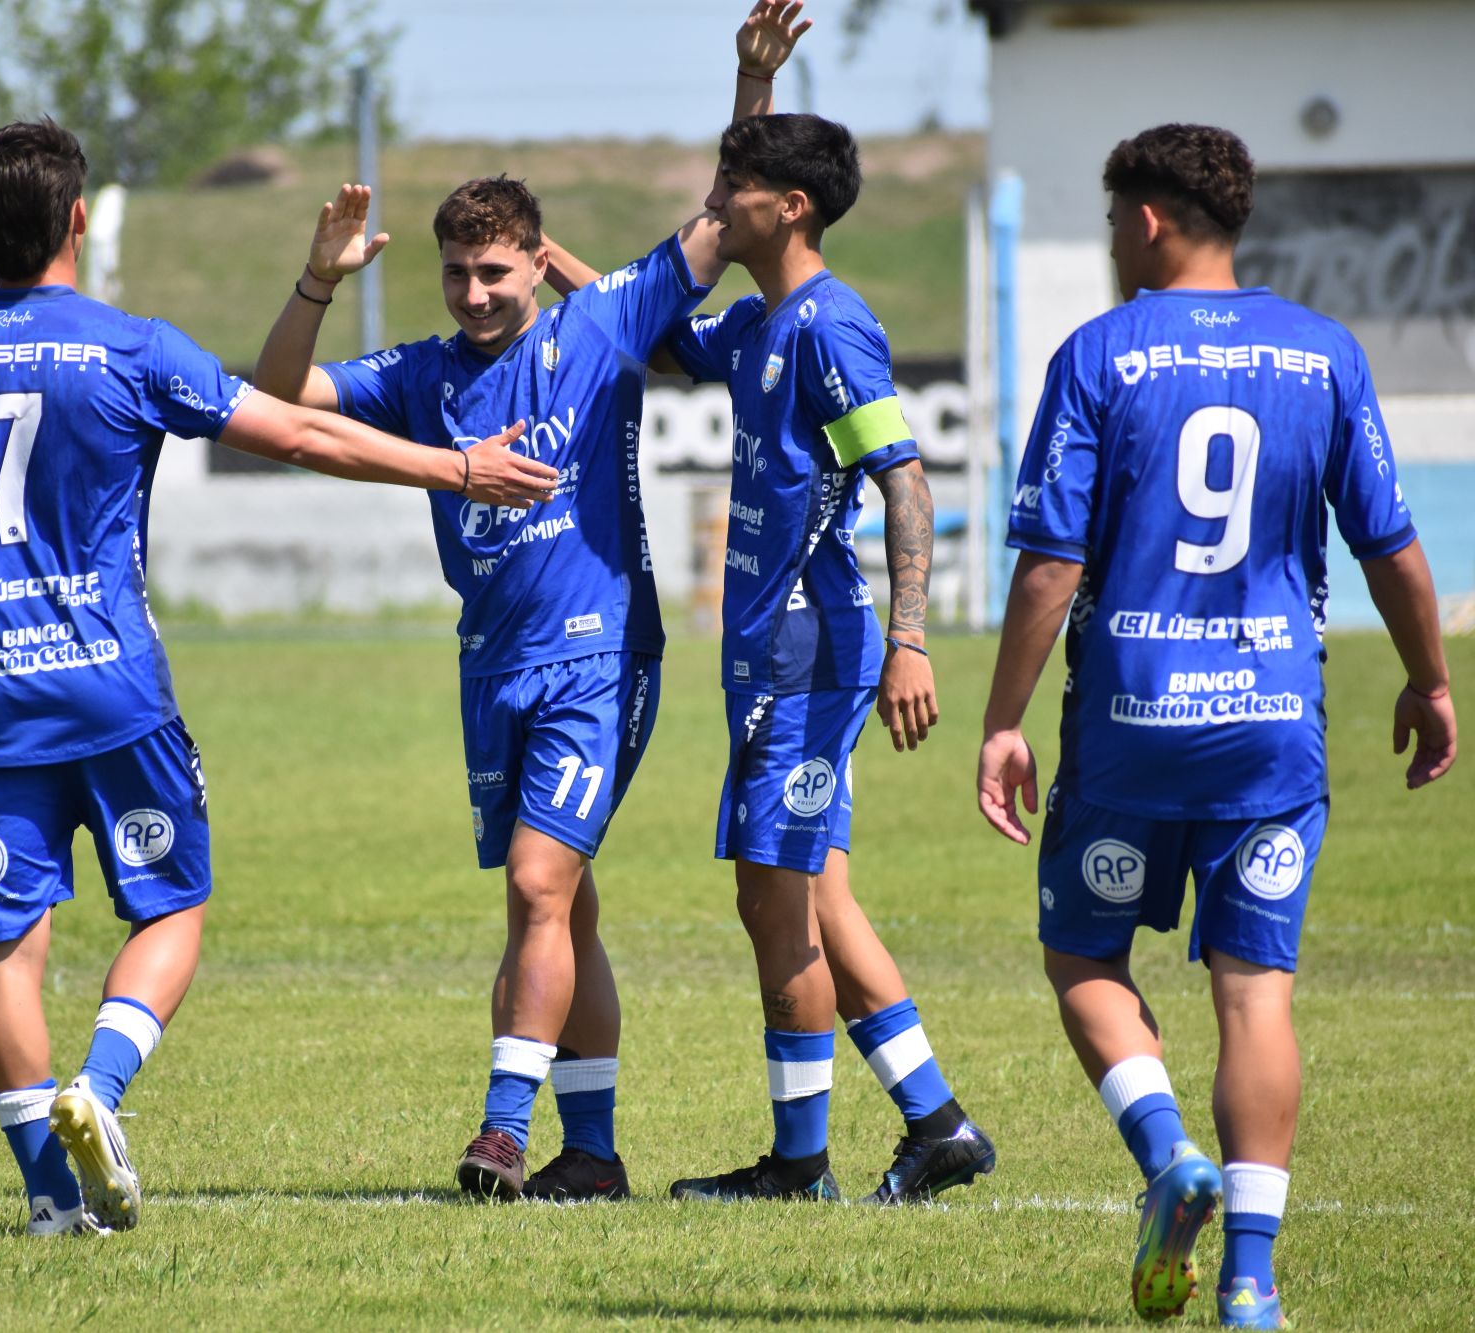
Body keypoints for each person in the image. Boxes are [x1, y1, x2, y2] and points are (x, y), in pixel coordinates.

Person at [0, 119, 556, 1235]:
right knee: (171, 905)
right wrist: (453, 466)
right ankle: (101, 1086)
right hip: (112, 689)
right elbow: (299, 436)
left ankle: (50, 1199)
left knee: (7, 948)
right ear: (78, 219)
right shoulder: (133, 349)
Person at [975, 123, 1456, 1326]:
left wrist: (1002, 721)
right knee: (1254, 994)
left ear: (1146, 221)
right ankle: (1248, 1278)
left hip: (1129, 722)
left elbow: (1048, 567)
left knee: (1083, 958)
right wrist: (1429, 681)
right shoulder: (1322, 353)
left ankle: (1165, 1156)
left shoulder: (1099, 353)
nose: (1110, 244)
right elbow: (1391, 546)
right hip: (1269, 724)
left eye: (1110, 222)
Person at [547, 1, 993, 1205]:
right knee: (814, 894)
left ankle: (800, 1165)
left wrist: (909, 640)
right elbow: (654, 328)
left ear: (788, 208)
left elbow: (904, 480)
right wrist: (562, 271)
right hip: (769, 657)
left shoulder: (831, 328)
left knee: (771, 899)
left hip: (810, 654)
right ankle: (936, 1124)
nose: (713, 205)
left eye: (734, 190)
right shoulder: (756, 326)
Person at [252, 153, 726, 1199]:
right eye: (456, 273)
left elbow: (720, 219)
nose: (472, 294)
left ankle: (503, 1132)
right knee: (563, 908)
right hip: (493, 665)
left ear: (537, 263)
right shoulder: (421, 375)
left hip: (597, 658)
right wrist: (318, 280)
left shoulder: (600, 326)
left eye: (494, 273)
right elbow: (280, 395)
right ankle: (592, 1155)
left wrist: (752, 86)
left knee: (536, 885)